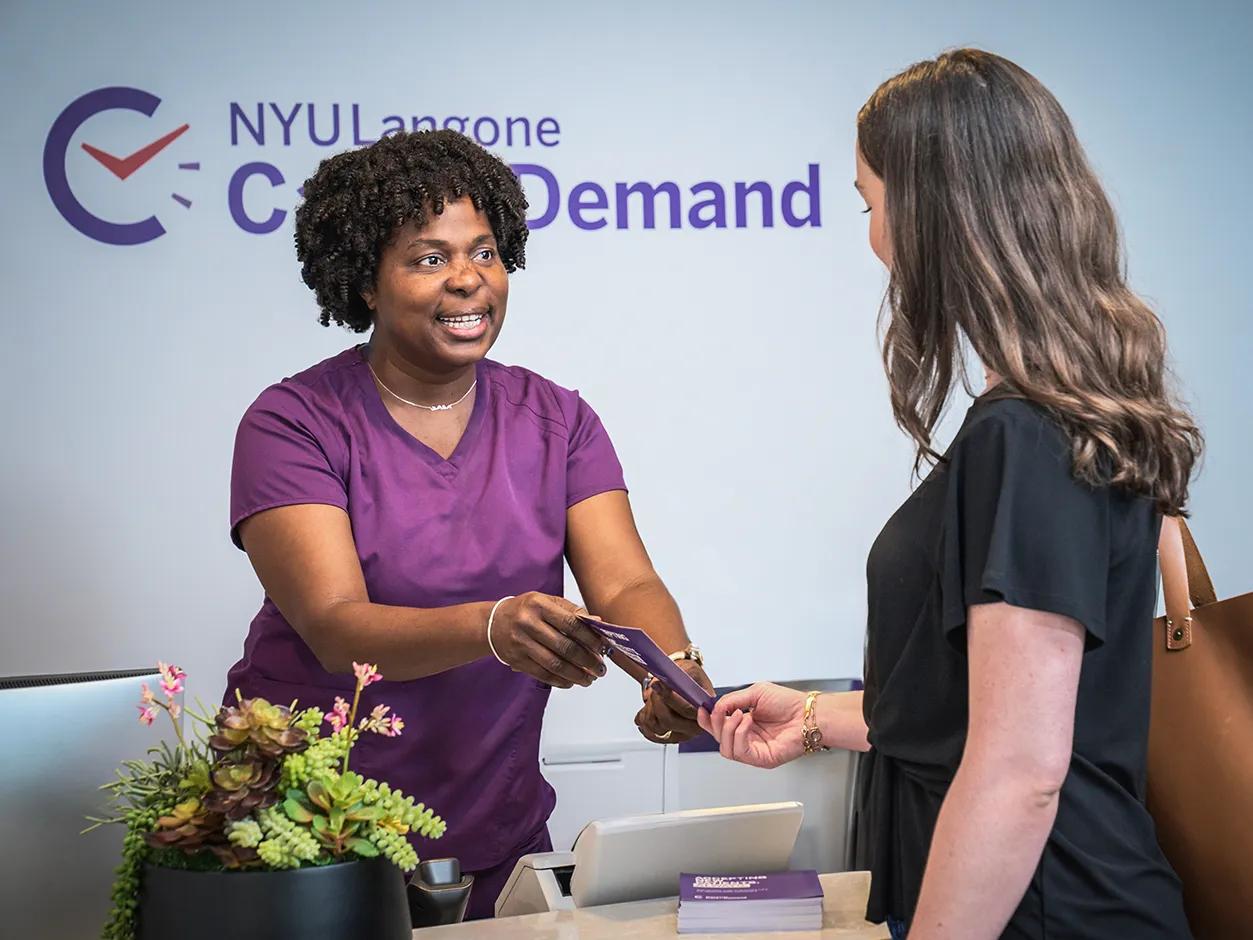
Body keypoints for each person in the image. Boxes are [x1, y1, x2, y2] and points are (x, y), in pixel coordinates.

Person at [698, 50, 1199, 939]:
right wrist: (814, 718)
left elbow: (1019, 770)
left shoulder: (1026, 435)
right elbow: (979, 713)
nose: (873, 236)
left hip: (1047, 910)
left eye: (871, 202)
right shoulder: (1055, 418)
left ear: (934, 212)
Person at [224, 129, 712, 920]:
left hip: (493, 827)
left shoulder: (557, 418)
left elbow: (624, 581)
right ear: (365, 284)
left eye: (484, 253)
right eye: (428, 258)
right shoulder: (293, 423)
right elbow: (335, 628)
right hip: (309, 836)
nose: (468, 281)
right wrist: (491, 627)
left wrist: (672, 674)